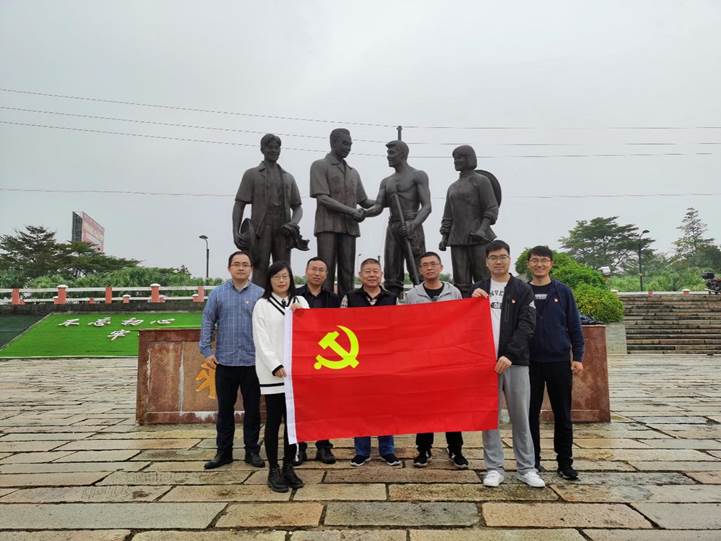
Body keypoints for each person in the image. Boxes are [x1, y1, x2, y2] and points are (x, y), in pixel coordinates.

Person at [471, 240, 545, 488]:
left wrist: (510, 354)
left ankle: (527, 468)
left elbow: (527, 325)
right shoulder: (478, 288)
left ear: (509, 259)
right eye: (493, 257)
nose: (498, 261)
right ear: (486, 261)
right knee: (489, 418)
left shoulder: (522, 290)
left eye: (502, 257)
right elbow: (466, 325)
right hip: (485, 365)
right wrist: (470, 302)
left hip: (515, 363)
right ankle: (494, 468)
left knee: (520, 416)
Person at [199, 250, 265, 470]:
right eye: (236, 264)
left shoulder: (260, 294)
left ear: (251, 269)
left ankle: (252, 451)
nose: (241, 268)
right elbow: (208, 321)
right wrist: (206, 350)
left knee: (252, 410)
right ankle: (224, 452)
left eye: (245, 264)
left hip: (252, 362)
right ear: (229, 268)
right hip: (224, 363)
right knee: (225, 410)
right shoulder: (218, 294)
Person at [526, 245, 585, 480]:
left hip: (559, 361)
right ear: (528, 264)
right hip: (529, 363)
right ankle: (532, 461)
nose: (539, 265)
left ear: (551, 264)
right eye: (535, 260)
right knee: (530, 415)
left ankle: (565, 463)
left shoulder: (563, 291)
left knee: (562, 414)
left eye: (544, 260)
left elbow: (574, 326)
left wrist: (578, 357)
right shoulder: (522, 291)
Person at [405, 251, 468, 469]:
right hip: (423, 359)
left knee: (452, 406)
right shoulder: (412, 295)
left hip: (448, 359)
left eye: (433, 264)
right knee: (424, 406)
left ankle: (456, 449)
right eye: (425, 265)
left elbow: (461, 323)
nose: (429, 268)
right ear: (420, 269)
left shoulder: (454, 292)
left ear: (441, 267)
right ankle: (423, 449)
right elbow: (406, 326)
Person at [252, 261, 309, 492]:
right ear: (269, 280)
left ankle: (288, 466)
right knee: (274, 421)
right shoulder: (262, 305)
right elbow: (261, 339)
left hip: (295, 373)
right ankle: (273, 469)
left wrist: (301, 314)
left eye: (285, 276)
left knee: (292, 424)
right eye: (276, 277)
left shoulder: (300, 301)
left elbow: (311, 332)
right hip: (273, 373)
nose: (281, 281)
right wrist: (274, 364)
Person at [341, 258, 400, 467]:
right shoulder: (350, 298)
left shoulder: (392, 298)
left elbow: (400, 328)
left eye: (375, 271)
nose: (372, 275)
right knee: (361, 406)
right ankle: (362, 451)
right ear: (360, 275)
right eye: (367, 271)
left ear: (381, 274)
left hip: (385, 361)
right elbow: (340, 326)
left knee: (386, 406)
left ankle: (387, 450)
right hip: (358, 361)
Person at [233, 133, 306, 288]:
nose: (273, 150)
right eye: (270, 147)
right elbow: (239, 204)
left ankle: (284, 301)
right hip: (260, 229)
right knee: (260, 268)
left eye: (276, 148)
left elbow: (298, 207)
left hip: (283, 230)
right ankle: (259, 301)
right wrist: (235, 232)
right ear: (262, 149)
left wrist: (293, 224)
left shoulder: (288, 177)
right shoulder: (252, 174)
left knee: (283, 270)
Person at [310, 128, 375, 298]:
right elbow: (323, 198)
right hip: (327, 225)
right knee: (326, 270)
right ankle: (326, 306)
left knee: (347, 272)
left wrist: (385, 201)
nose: (348, 147)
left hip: (349, 227)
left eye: (350, 144)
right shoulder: (320, 166)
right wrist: (352, 211)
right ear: (333, 143)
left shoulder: (353, 173)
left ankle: (347, 306)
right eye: (344, 143)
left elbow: (364, 201)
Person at [364, 140, 431, 297]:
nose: (388, 156)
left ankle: (422, 302)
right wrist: (363, 213)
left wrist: (413, 224)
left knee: (418, 269)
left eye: (391, 153)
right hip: (393, 227)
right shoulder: (386, 181)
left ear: (402, 154)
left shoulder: (418, 175)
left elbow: (427, 206)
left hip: (412, 225)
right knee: (392, 271)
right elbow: (378, 206)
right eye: (388, 153)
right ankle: (392, 303)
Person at [293, 256, 341, 465]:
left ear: (326, 274)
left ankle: (324, 446)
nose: (317, 273)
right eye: (314, 269)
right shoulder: (293, 296)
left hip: (326, 359)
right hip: (301, 357)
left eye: (322, 270)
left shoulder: (333, 299)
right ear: (306, 271)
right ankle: (300, 447)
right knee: (301, 404)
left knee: (325, 405)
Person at [439, 145, 499, 297]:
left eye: (459, 158)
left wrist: (482, 229)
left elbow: (491, 208)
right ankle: (464, 309)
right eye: (454, 158)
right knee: (461, 282)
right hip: (457, 239)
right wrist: (444, 237)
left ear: (469, 158)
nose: (456, 161)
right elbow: (448, 215)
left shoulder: (481, 181)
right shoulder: (452, 187)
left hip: (478, 238)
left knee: (482, 278)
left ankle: (486, 308)